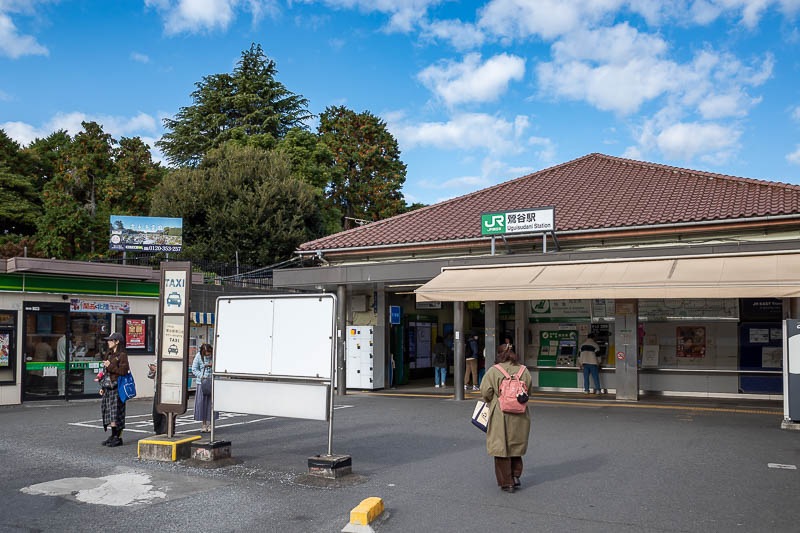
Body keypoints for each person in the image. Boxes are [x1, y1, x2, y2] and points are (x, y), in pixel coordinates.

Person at [480, 342, 532, 493]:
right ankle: (515, 475)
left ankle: (507, 482)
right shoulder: (524, 370)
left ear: (499, 355)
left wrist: (493, 399)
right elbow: (528, 391)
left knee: (500, 446)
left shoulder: (494, 371)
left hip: (500, 413)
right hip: (520, 413)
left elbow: (485, 391)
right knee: (516, 444)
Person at [99, 332, 129, 447]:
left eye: (111, 340)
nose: (108, 342)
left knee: (116, 413)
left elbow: (123, 371)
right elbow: (106, 372)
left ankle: (118, 437)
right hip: (108, 387)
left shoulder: (122, 355)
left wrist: (110, 366)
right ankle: (113, 435)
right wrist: (102, 387)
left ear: (117, 342)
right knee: (109, 412)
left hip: (117, 387)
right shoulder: (109, 354)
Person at [191, 344, 217, 432]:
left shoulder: (215, 355)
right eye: (206, 354)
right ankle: (204, 424)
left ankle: (211, 424)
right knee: (202, 404)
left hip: (213, 382)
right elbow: (194, 369)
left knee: (212, 404)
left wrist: (213, 365)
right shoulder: (198, 356)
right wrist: (201, 376)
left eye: (209, 353)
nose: (208, 355)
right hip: (202, 383)